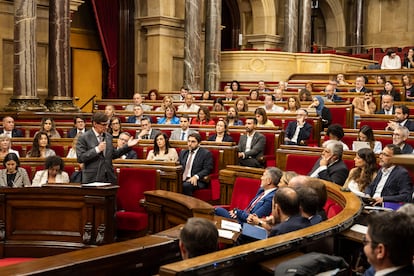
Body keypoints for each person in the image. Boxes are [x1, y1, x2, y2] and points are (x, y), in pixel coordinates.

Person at [76, 112, 139, 183]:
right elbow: (80, 158)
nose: (106, 127)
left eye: (107, 124)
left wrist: (127, 146)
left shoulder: (108, 136)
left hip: (109, 177)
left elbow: (113, 154)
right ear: (95, 124)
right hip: (92, 178)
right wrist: (97, 149)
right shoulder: (84, 137)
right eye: (103, 125)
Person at [216, 167, 282, 224]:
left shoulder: (271, 197)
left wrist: (237, 212)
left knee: (218, 210)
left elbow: (253, 218)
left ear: (269, 181)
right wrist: (236, 213)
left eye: (263, 175)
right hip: (240, 218)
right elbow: (248, 209)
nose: (261, 178)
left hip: (246, 225)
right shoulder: (261, 191)